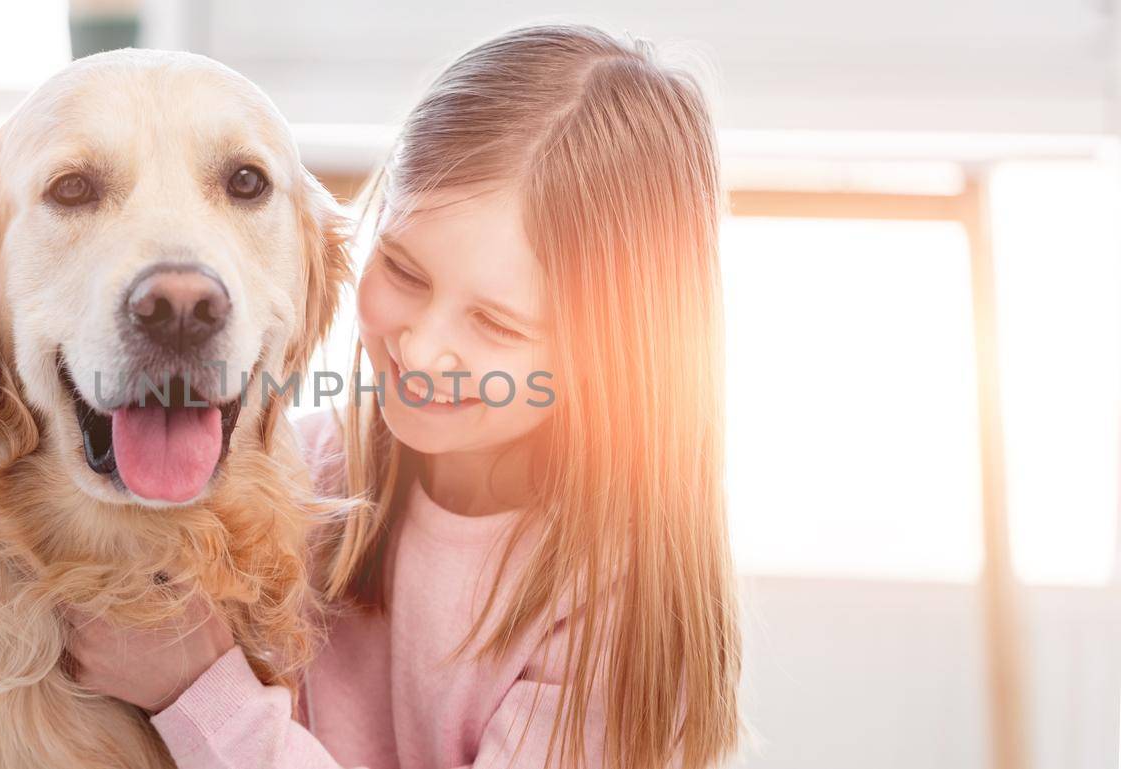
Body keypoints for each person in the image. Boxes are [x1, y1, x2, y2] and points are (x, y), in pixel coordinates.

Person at [69, 23, 742, 769]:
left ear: (614, 351)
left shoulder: (613, 610)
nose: (420, 349)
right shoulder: (303, 466)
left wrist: (201, 693)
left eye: (494, 321)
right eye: (405, 271)